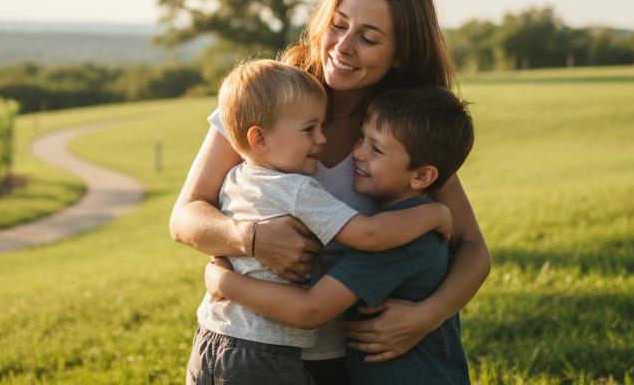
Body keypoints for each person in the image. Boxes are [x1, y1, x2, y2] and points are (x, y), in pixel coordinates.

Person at [171, 0, 491, 384]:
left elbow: (473, 249)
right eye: (338, 26)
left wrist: (425, 317)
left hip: (347, 359)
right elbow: (185, 217)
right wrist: (247, 238)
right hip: (249, 347)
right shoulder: (269, 100)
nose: (343, 46)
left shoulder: (401, 131)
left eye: (369, 38)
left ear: (401, 55)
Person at [187, 60, 454, 385]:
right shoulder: (297, 189)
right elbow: (368, 234)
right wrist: (434, 214)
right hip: (264, 353)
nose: (322, 139)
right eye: (309, 129)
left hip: (212, 337)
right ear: (259, 138)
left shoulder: (236, 178)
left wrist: (219, 280)